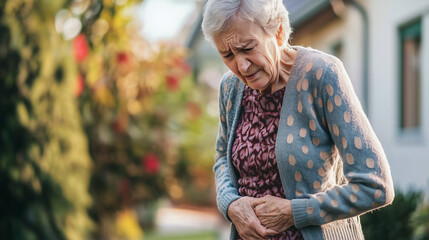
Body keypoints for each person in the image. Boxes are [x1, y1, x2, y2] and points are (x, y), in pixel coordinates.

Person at [201, 0, 395, 239]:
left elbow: (375, 185)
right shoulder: (230, 87)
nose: (241, 65)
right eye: (227, 54)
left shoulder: (321, 74)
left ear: (279, 31)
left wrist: (294, 212)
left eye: (248, 48)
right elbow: (222, 156)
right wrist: (230, 204)